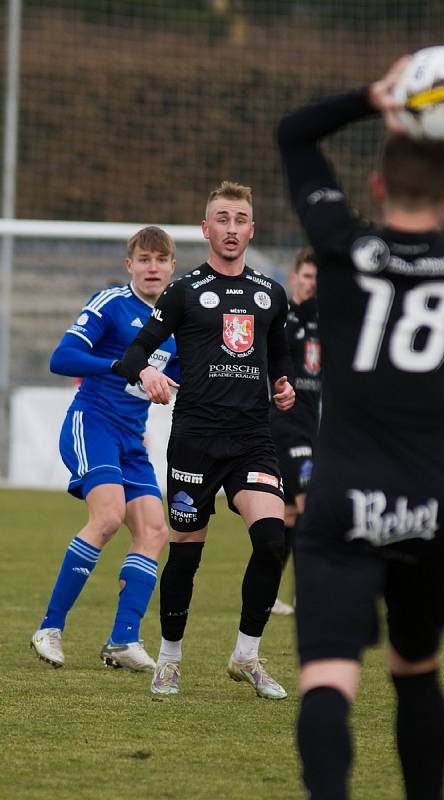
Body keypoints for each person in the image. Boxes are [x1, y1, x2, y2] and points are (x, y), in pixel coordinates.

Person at [278, 58, 444, 799]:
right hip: (434, 505)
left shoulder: (339, 246)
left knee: (328, 679)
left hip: (342, 499)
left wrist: (370, 95)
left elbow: (294, 135)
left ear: (377, 186)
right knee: (415, 670)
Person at [113, 181, 295, 699]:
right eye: (222, 218)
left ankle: (247, 656)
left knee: (271, 540)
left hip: (252, 439)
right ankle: (168, 661)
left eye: (241, 219)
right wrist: (147, 373)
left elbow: (279, 357)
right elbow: (133, 354)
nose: (232, 228)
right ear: (206, 228)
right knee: (187, 552)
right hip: (195, 439)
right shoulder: (184, 289)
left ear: (251, 228)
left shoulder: (270, 292)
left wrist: (282, 386)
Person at [31, 226, 179, 672]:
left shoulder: (175, 323)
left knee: (155, 530)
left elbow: (186, 379)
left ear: (172, 267)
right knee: (109, 516)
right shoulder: (112, 303)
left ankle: (122, 640)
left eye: (161, 259)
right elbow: (62, 357)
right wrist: (124, 367)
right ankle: (50, 628)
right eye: (144, 259)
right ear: (129, 265)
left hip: (132, 440)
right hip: (92, 423)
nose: (152, 267)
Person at [270, 247, 321, 615]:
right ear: (294, 278)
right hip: (284, 425)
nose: (311, 283)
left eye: (317, 278)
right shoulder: (281, 315)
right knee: (309, 507)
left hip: (310, 425)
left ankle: (269, 593)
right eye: (306, 276)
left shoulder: (325, 320)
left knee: (288, 514)